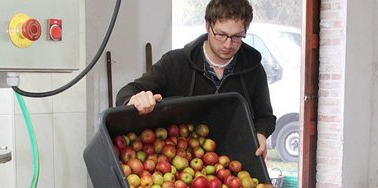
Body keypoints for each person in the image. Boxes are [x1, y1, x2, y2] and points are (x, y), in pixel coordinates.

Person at [116, 0, 276, 159]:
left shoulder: (253, 69)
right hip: (182, 162)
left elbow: (266, 117)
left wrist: (260, 134)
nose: (228, 44)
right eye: (221, 34)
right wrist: (134, 99)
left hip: (235, 165)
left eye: (237, 37)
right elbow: (127, 92)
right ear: (208, 25)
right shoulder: (175, 63)